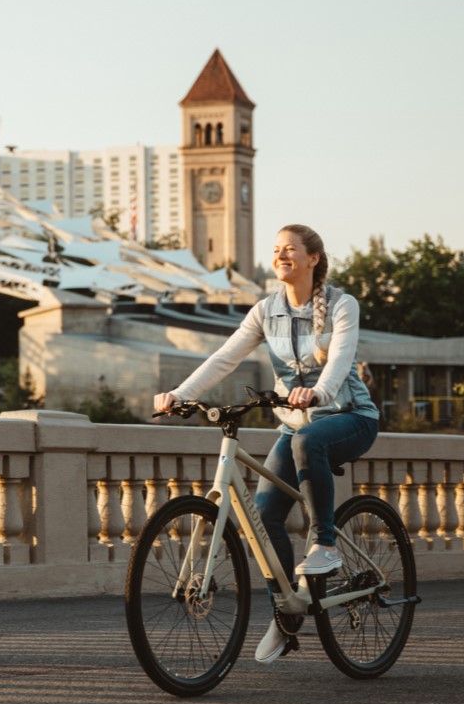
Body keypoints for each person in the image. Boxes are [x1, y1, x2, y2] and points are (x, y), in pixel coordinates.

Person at [153, 224, 379, 664]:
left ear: (313, 258)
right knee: (267, 514)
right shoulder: (265, 311)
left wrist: (319, 393)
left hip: (350, 418)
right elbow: (225, 357)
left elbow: (339, 361)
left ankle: (326, 545)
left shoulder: (340, 305)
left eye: (290, 249)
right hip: (295, 427)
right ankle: (287, 611)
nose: (281, 256)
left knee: (308, 439)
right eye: (276, 250)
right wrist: (180, 394)